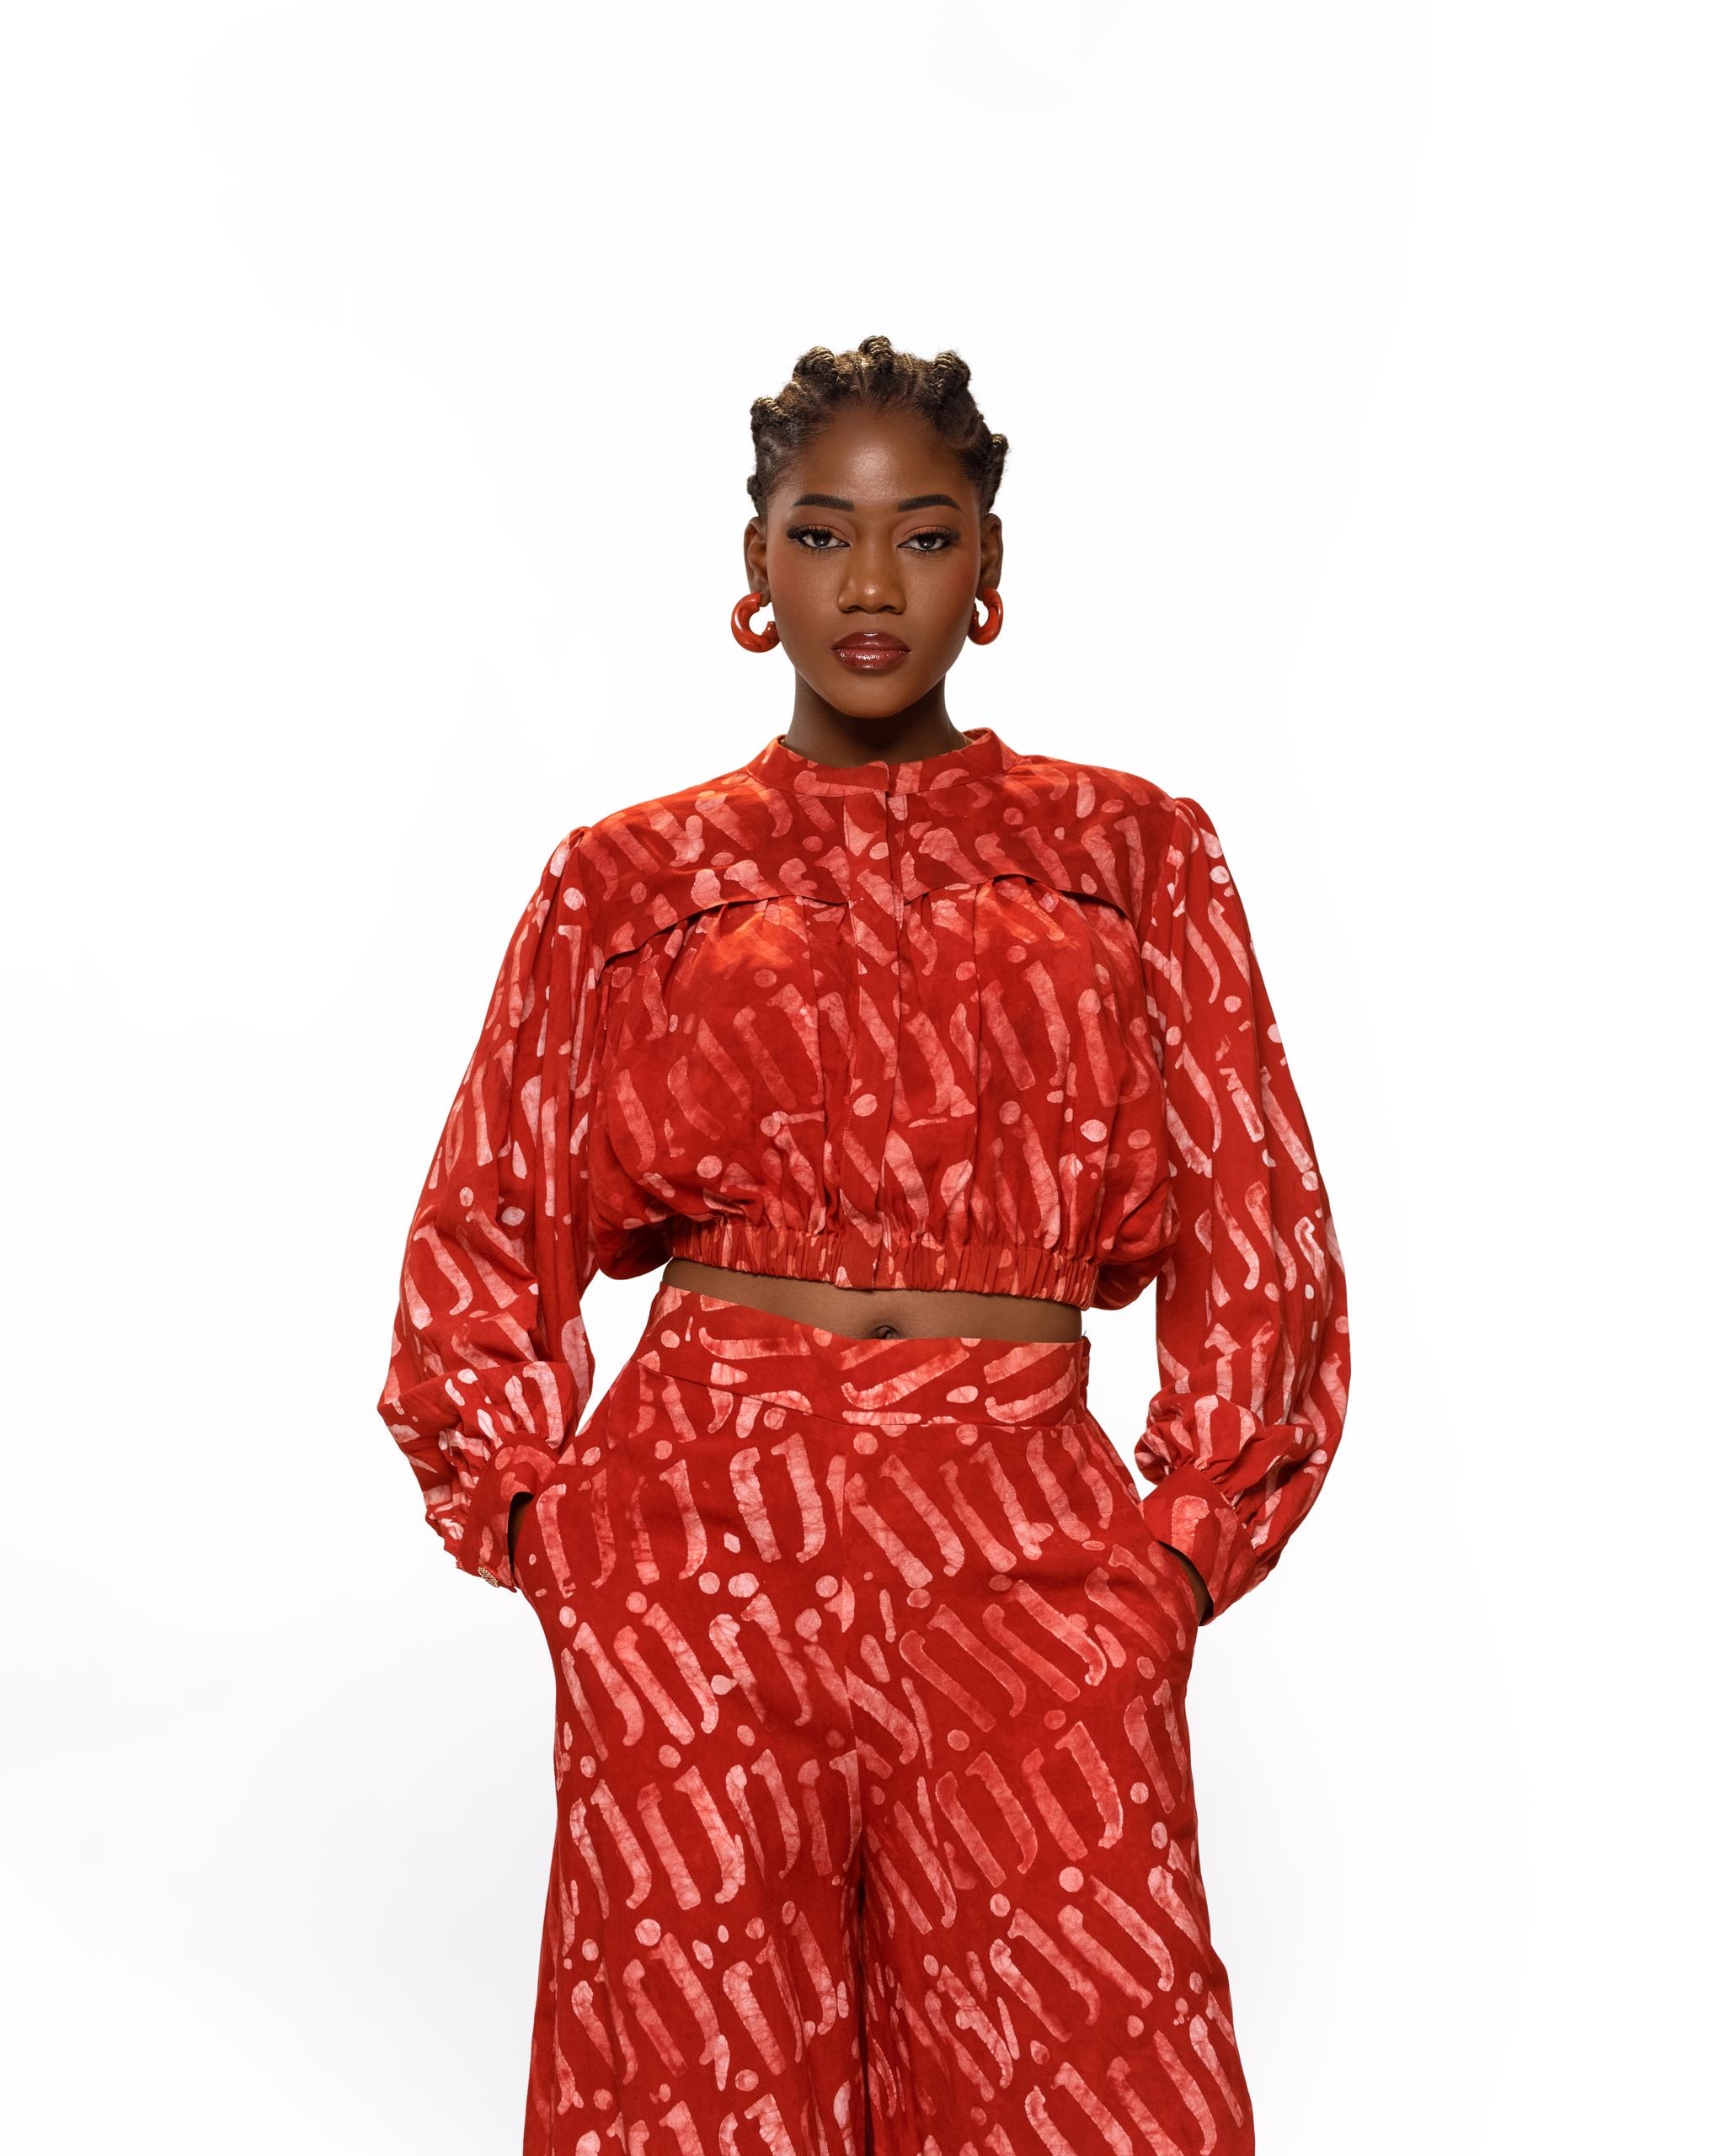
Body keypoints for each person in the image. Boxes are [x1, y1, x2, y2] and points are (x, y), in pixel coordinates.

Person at [375, 334, 1350, 2155]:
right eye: (823, 534)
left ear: (990, 562)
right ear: (757, 564)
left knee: (1095, 2072)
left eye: (924, 532)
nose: (872, 583)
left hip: (1025, 1521)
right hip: (699, 1532)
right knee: (694, 2078)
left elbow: (1256, 1216)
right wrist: (536, 1516)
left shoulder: (1129, 852)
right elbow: (487, 1211)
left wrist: (1183, 1545)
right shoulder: (627, 878)